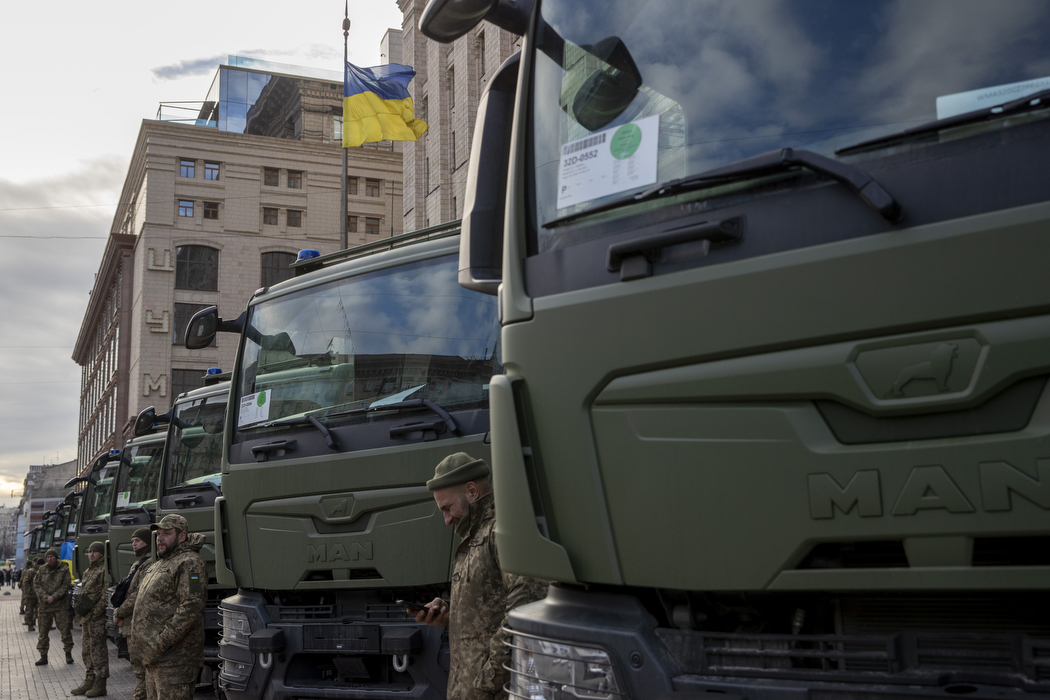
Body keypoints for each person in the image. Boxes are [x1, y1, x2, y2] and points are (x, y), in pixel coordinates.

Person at [413, 453, 548, 700]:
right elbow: (490, 607)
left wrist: (487, 681)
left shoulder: (504, 532)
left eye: (447, 508)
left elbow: (526, 611)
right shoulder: (474, 537)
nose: (446, 520)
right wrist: (449, 613)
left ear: (473, 492)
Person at [130, 514, 207, 700]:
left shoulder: (190, 562)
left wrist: (160, 643)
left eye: (167, 533)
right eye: (158, 534)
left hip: (174, 661)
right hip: (155, 660)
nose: (160, 538)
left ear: (182, 536)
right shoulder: (162, 562)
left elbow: (192, 606)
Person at [114, 528, 154, 700]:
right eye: (132, 541)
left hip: (141, 626)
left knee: (143, 671)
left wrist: (119, 612)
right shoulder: (138, 564)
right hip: (132, 625)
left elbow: (139, 593)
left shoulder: (150, 563)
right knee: (138, 671)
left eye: (137, 540)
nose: (134, 544)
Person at [72, 541, 110, 697]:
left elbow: (106, 593)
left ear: (101, 554)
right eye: (89, 551)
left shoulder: (104, 570)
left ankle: (100, 684)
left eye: (95, 551)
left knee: (98, 650)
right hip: (86, 617)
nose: (91, 554)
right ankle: (89, 680)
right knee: (86, 649)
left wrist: (97, 611)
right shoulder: (88, 571)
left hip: (97, 617)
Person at [34, 548, 75, 665]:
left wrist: (54, 596)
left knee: (65, 630)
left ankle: (68, 654)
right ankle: (43, 656)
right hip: (44, 606)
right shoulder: (41, 570)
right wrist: (45, 597)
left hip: (60, 606)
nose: (49, 559)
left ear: (56, 557)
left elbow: (66, 584)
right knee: (43, 632)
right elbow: (36, 585)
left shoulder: (64, 569)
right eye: (47, 557)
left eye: (51, 556)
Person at [21, 559, 38, 631]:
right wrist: (29, 592)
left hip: (38, 594)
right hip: (30, 594)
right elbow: (25, 582)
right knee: (29, 610)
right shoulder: (30, 571)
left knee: (36, 610)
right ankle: (29, 624)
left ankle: (32, 622)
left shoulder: (40, 571)